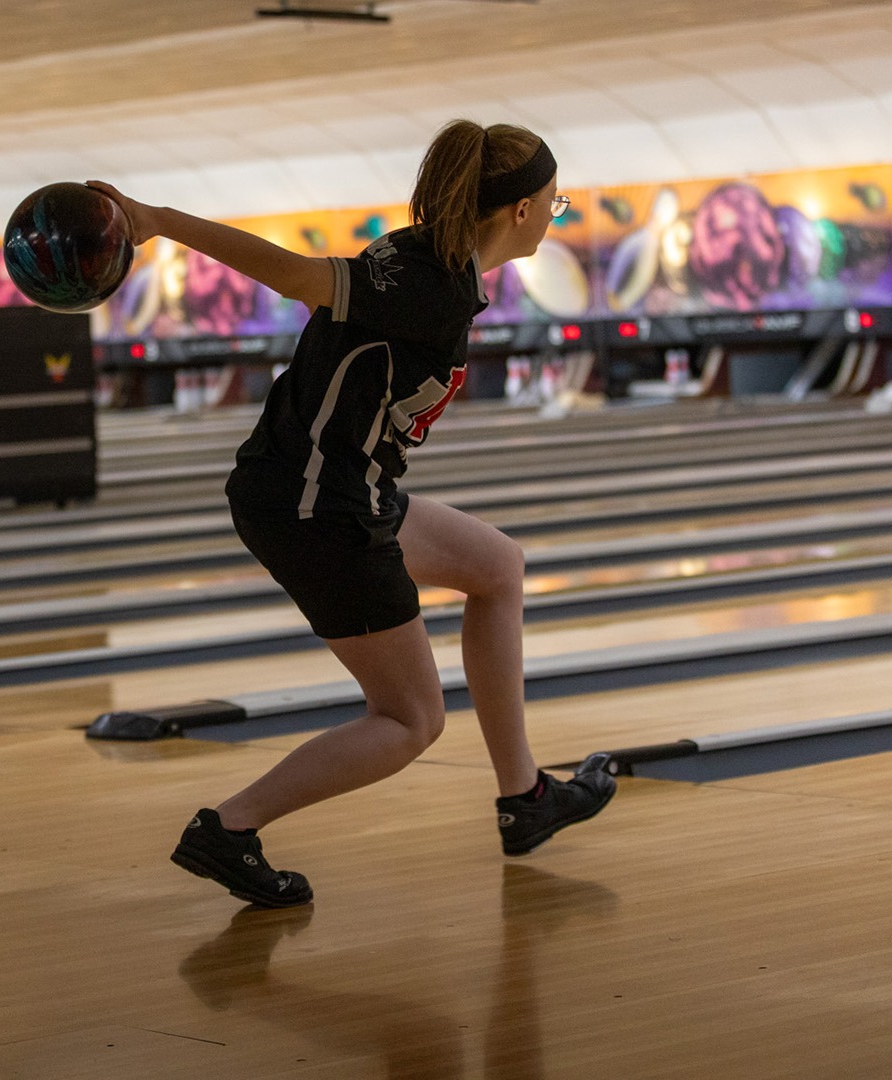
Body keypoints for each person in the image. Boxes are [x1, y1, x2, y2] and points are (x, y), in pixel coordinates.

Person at [90, 120, 616, 909]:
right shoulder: (426, 282)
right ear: (517, 211)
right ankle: (228, 830)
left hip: (337, 489)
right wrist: (159, 220)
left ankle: (526, 798)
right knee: (409, 721)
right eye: (554, 202)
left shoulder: (430, 261)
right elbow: (302, 279)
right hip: (318, 507)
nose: (555, 214)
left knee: (496, 567)